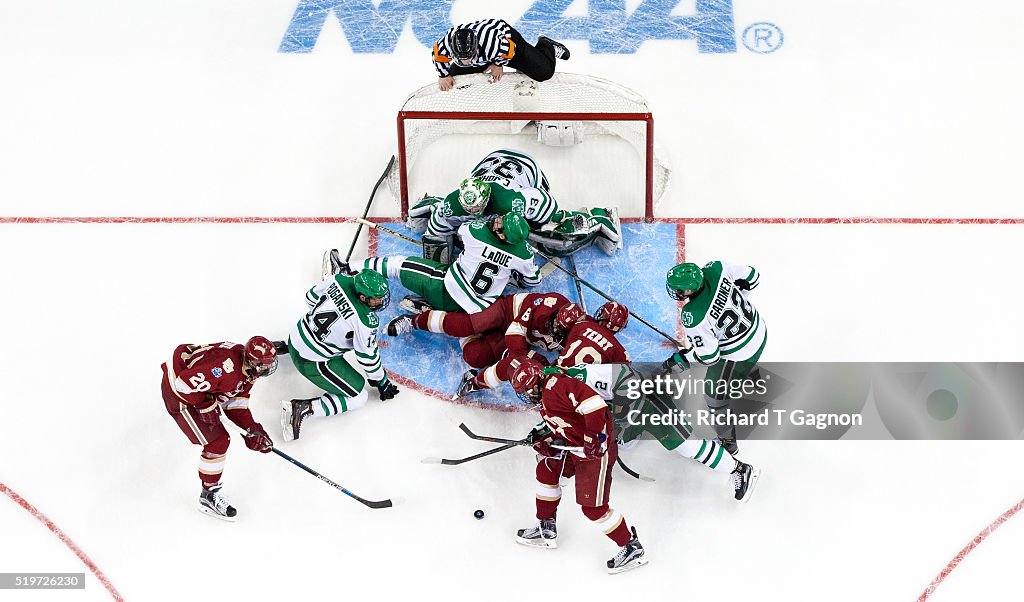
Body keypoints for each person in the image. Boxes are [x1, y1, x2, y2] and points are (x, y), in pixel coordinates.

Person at [509, 359, 647, 574]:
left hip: (595, 453)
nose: (526, 395)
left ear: (536, 383)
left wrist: (596, 438)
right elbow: (566, 423)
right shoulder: (546, 396)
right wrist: (546, 440)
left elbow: (594, 404)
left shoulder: (556, 385)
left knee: (593, 509)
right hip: (577, 449)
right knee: (547, 469)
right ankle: (546, 527)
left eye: (527, 390)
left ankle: (631, 547)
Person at [558, 362, 761, 502]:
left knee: (685, 445)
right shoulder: (559, 389)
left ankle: (740, 470)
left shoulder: (583, 378)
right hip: (629, 411)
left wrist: (620, 417)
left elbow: (625, 378)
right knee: (624, 444)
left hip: (647, 397)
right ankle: (635, 431)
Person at [407, 149, 622, 258]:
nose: (474, 212)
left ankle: (600, 217)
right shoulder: (453, 203)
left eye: (477, 208)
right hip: (490, 160)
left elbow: (547, 204)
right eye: (469, 209)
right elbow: (436, 232)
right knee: (454, 233)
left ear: (487, 197)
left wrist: (560, 220)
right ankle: (429, 202)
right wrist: (439, 263)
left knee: (553, 242)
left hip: (526, 169)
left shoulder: (515, 201)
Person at [330, 211, 541, 315]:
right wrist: (515, 275)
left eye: (500, 224)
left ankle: (346, 268)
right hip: (478, 310)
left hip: (448, 289)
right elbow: (532, 281)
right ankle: (430, 306)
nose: (497, 221)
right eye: (501, 218)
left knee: (398, 264)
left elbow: (461, 231)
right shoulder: (524, 255)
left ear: (504, 236)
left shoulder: (475, 233)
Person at [160, 336, 278, 521]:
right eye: (265, 364)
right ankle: (208, 495)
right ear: (254, 362)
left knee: (221, 438)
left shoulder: (248, 371)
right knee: (218, 441)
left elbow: (235, 403)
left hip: (193, 387)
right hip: (178, 394)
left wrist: (251, 429)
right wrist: (204, 404)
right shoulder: (225, 368)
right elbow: (182, 384)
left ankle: (209, 492)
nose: (268, 368)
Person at [280, 269, 399, 442]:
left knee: (314, 332)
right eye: (376, 299)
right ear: (363, 298)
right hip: (310, 360)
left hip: (295, 335)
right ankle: (304, 408)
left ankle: (283, 346)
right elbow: (367, 357)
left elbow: (310, 297)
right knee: (359, 397)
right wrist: (380, 380)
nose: (381, 301)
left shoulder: (339, 279)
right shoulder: (366, 321)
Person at [386, 292, 582, 397]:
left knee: (475, 356)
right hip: (508, 312)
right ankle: (413, 320)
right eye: (553, 324)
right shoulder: (546, 307)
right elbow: (515, 333)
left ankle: (463, 320)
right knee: (465, 325)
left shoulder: (581, 335)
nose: (552, 328)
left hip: (522, 339)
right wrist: (524, 359)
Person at [663, 261, 767, 454]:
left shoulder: (693, 315)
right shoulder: (717, 268)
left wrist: (679, 360)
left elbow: (709, 357)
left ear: (688, 292)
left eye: (678, 289)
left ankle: (729, 444)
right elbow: (752, 276)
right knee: (743, 361)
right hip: (759, 329)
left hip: (741, 353)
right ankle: (753, 378)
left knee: (714, 398)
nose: (675, 292)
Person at [431, 20, 570, 92]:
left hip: (508, 42)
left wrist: (498, 64)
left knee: (544, 72)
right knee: (458, 80)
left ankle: (546, 44)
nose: (466, 62)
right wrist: (443, 75)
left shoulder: (493, 44)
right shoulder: (445, 45)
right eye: (461, 59)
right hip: (487, 54)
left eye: (469, 58)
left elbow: (509, 49)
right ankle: (485, 61)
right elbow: (437, 57)